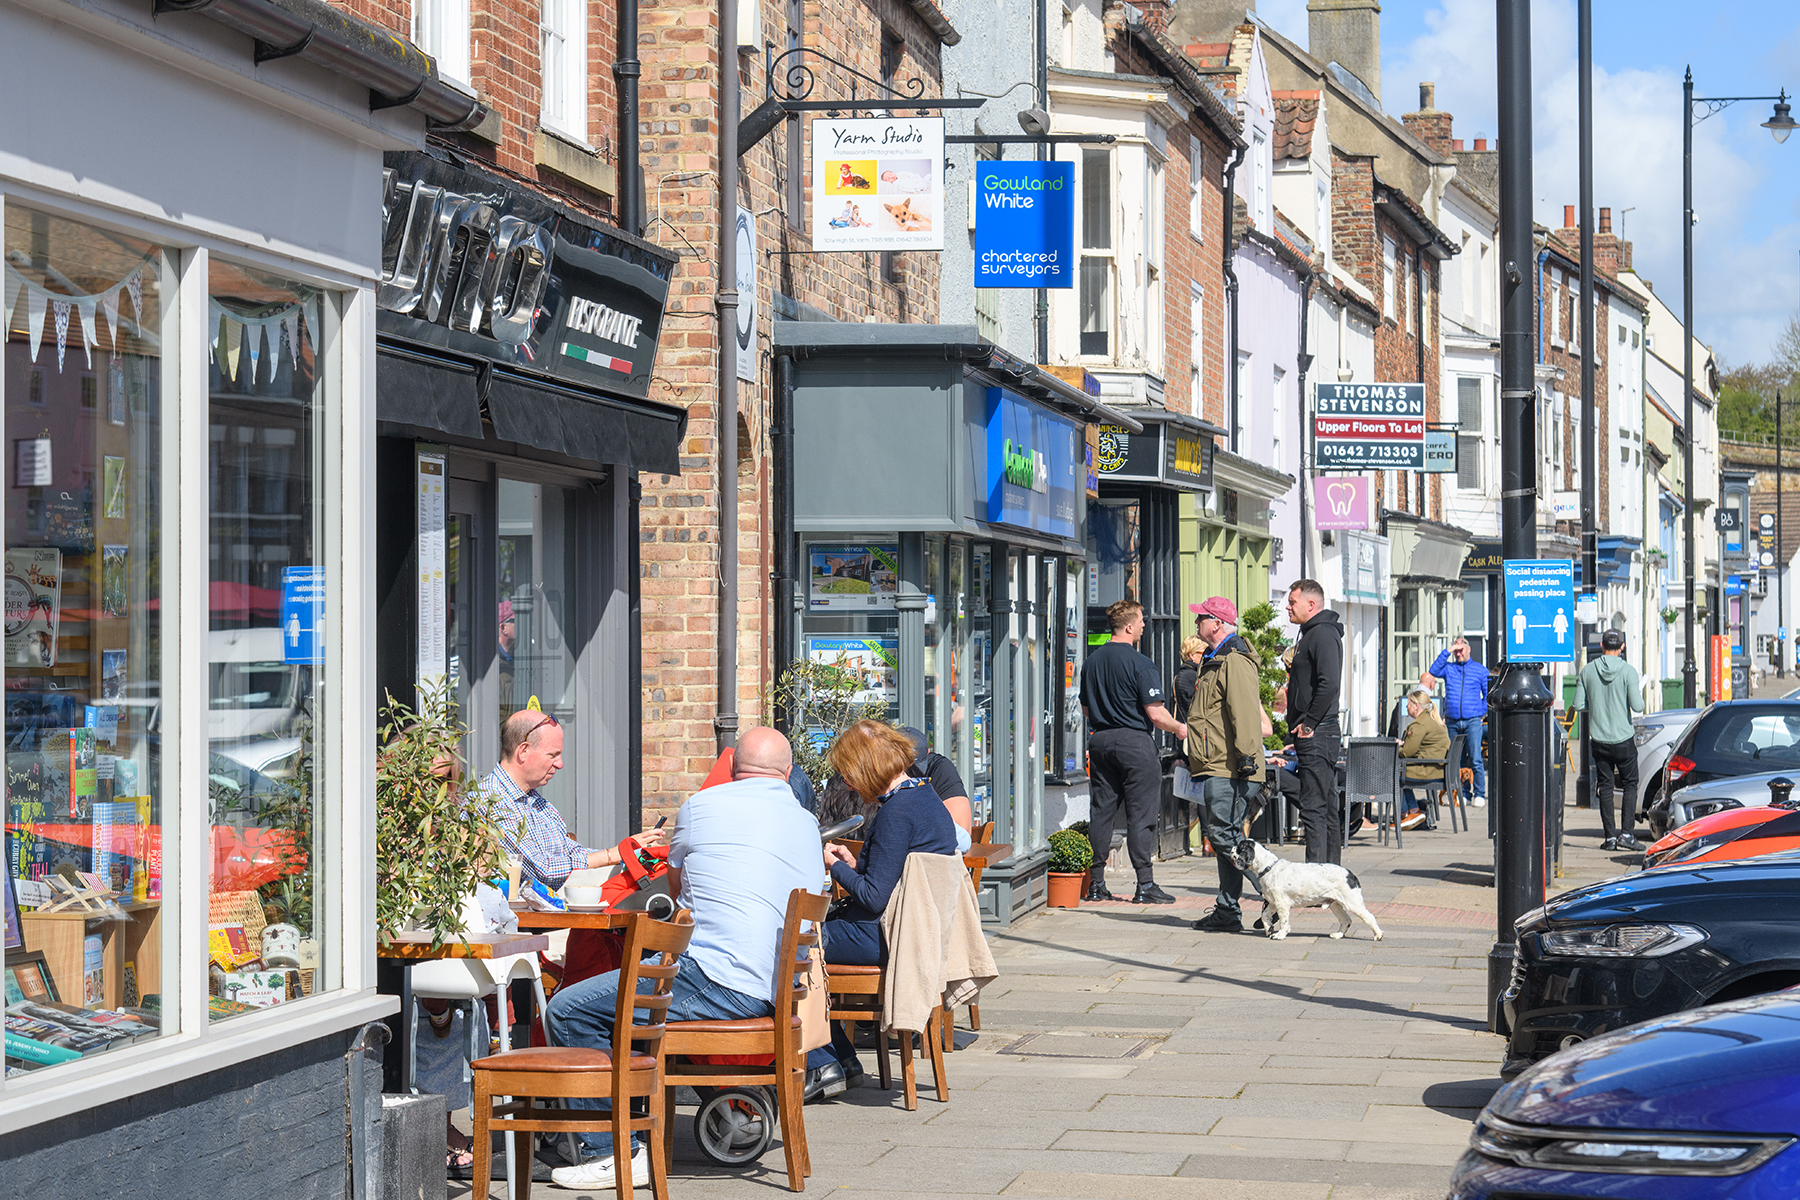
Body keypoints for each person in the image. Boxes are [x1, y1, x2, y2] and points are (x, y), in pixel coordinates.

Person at [544, 727, 822, 1190]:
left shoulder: (701, 807)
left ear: (731, 768)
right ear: (788, 771)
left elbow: (676, 891)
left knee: (569, 1009)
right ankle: (629, 1128)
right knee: (626, 1009)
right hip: (775, 991)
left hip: (718, 979)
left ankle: (611, 1152)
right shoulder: (807, 823)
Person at [814, 720, 960, 1091]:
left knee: (793, 950)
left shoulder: (896, 812)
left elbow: (874, 897)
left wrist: (833, 867)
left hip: (883, 935)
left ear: (867, 767)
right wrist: (852, 864)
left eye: (849, 774)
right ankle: (842, 1060)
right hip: (906, 930)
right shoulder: (924, 797)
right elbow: (889, 877)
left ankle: (828, 1062)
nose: (848, 784)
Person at [468, 710, 668, 890]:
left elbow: (572, 851)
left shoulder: (537, 802)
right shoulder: (489, 802)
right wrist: (612, 855)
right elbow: (542, 871)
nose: (560, 764)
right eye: (553, 755)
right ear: (523, 751)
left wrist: (628, 853)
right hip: (515, 918)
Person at [1079, 599, 1190, 904]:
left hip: (1100, 741)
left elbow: (1086, 710)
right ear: (1128, 626)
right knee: (1141, 815)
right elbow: (1156, 714)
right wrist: (1180, 728)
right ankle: (1145, 884)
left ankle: (1096, 883)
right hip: (1134, 743)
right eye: (1141, 621)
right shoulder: (1141, 663)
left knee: (1101, 812)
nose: (1143, 625)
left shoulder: (1091, 662)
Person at [1187, 598, 1266, 933]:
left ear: (1217, 623)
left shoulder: (1234, 659)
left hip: (1231, 766)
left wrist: (1246, 758)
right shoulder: (1215, 659)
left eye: (1201, 617)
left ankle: (1275, 889)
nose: (1196, 622)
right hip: (1218, 763)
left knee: (1222, 835)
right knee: (1226, 838)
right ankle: (1227, 911)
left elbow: (1244, 712)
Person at [1284, 580, 1345, 864]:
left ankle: (1318, 875)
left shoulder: (1322, 634)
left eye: (1292, 602)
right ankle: (1330, 874)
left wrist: (1309, 723)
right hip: (1317, 732)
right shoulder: (1313, 633)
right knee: (1324, 804)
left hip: (1318, 732)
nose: (1288, 607)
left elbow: (1329, 683)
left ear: (1311, 604)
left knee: (1314, 807)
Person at [1573, 630, 1647, 852]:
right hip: (1623, 739)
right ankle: (1627, 834)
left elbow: (1578, 705)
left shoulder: (1587, 671)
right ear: (1622, 647)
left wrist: (1596, 705)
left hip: (1599, 739)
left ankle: (1610, 838)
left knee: (1605, 786)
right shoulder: (1628, 671)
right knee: (1630, 784)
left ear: (1602, 646)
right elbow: (1638, 706)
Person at [1421, 636, 1489, 809]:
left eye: (1461, 650)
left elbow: (1488, 695)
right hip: (1452, 720)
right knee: (1456, 759)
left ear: (1468, 649)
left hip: (1472, 721)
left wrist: (1480, 712)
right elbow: (1433, 670)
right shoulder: (1449, 668)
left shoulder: (1480, 670)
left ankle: (1479, 793)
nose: (1458, 654)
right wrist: (1448, 651)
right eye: (1456, 651)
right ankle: (1462, 793)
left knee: (1475, 758)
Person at [901, 726, 974, 852]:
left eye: (915, 769)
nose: (908, 775)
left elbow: (960, 837)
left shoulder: (939, 767)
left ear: (928, 753)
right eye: (903, 770)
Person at [1398, 686, 1451, 830]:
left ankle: (1405, 815)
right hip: (1438, 769)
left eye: (1408, 704)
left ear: (1416, 705)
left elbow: (1407, 753)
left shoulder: (1419, 724)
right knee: (1399, 775)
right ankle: (1414, 811)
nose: (1407, 707)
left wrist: (1396, 747)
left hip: (1428, 769)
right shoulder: (1433, 720)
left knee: (1393, 776)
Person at [1172, 634, 1207, 725]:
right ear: (1192, 655)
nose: (1207, 657)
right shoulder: (1191, 676)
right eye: (1204, 653)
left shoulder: (1184, 673)